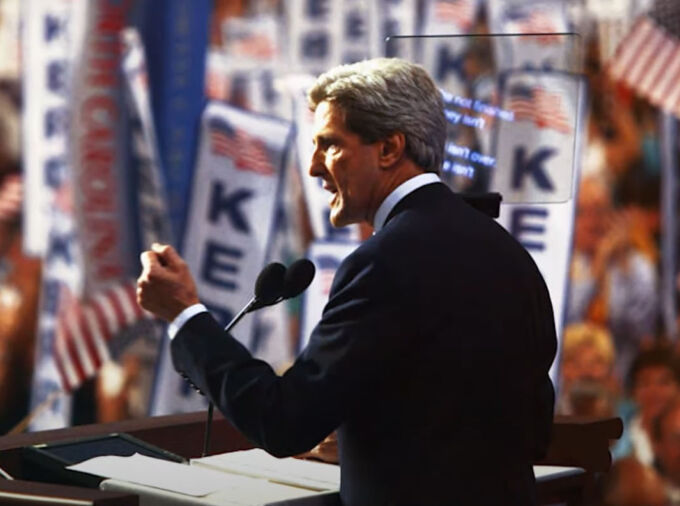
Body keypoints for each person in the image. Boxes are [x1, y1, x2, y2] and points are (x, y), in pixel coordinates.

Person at [137, 58, 557, 505]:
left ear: (389, 149)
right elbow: (527, 426)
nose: (315, 166)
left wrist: (185, 315)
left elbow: (284, 422)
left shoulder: (382, 263)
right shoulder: (509, 253)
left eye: (329, 145)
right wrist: (377, 436)